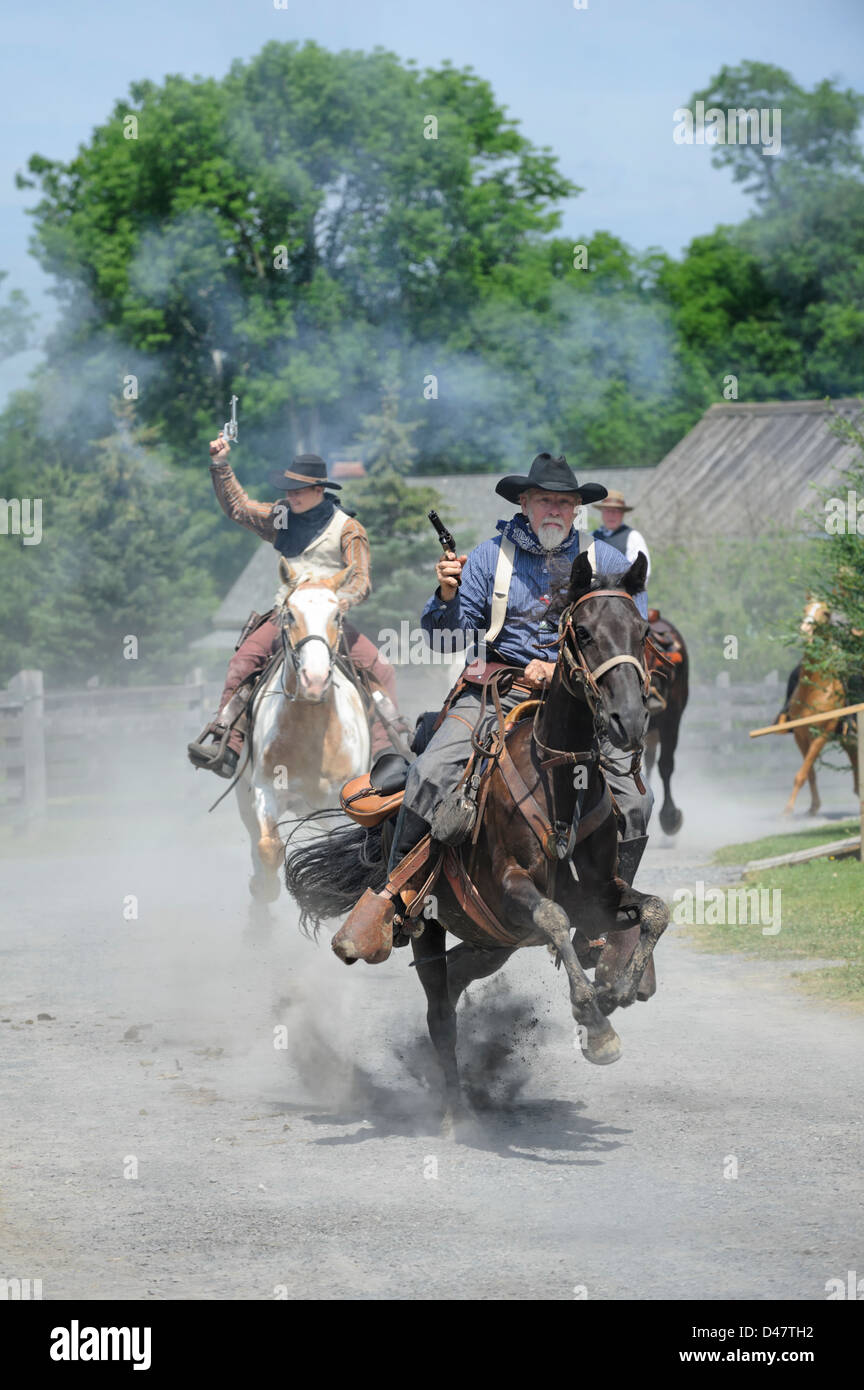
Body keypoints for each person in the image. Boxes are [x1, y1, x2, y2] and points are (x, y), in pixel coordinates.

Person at [338, 452, 655, 956]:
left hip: (583, 700)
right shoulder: (489, 558)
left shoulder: (608, 563)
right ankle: (397, 900)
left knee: (637, 802)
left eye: (565, 502)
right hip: (496, 690)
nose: (555, 510)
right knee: (430, 775)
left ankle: (601, 918)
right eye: (545, 500)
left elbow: (633, 633)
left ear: (577, 509)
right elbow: (445, 640)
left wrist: (562, 670)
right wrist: (445, 597)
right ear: (525, 503)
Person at [187, 435, 405, 778]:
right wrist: (220, 464)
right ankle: (226, 741)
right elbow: (239, 508)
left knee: (381, 669)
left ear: (319, 490)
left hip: (330, 617)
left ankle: (386, 750)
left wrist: (340, 602)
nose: (290, 495)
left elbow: (361, 580)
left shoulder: (349, 530)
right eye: (288, 489)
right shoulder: (281, 517)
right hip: (287, 614)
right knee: (242, 662)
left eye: (297, 489)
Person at [592, 489, 651, 580]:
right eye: (608, 510)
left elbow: (642, 572)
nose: (611, 515)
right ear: (602, 512)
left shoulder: (633, 537)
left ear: (622, 513)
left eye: (616, 511)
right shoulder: (592, 537)